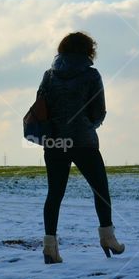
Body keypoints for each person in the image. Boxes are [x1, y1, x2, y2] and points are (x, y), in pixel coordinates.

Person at [36, 32, 124, 264]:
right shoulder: (91, 75)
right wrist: (88, 125)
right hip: (83, 141)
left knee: (54, 194)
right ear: (88, 50)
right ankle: (108, 238)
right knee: (100, 190)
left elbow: (40, 108)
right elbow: (99, 112)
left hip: (54, 142)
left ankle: (50, 247)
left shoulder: (49, 76)